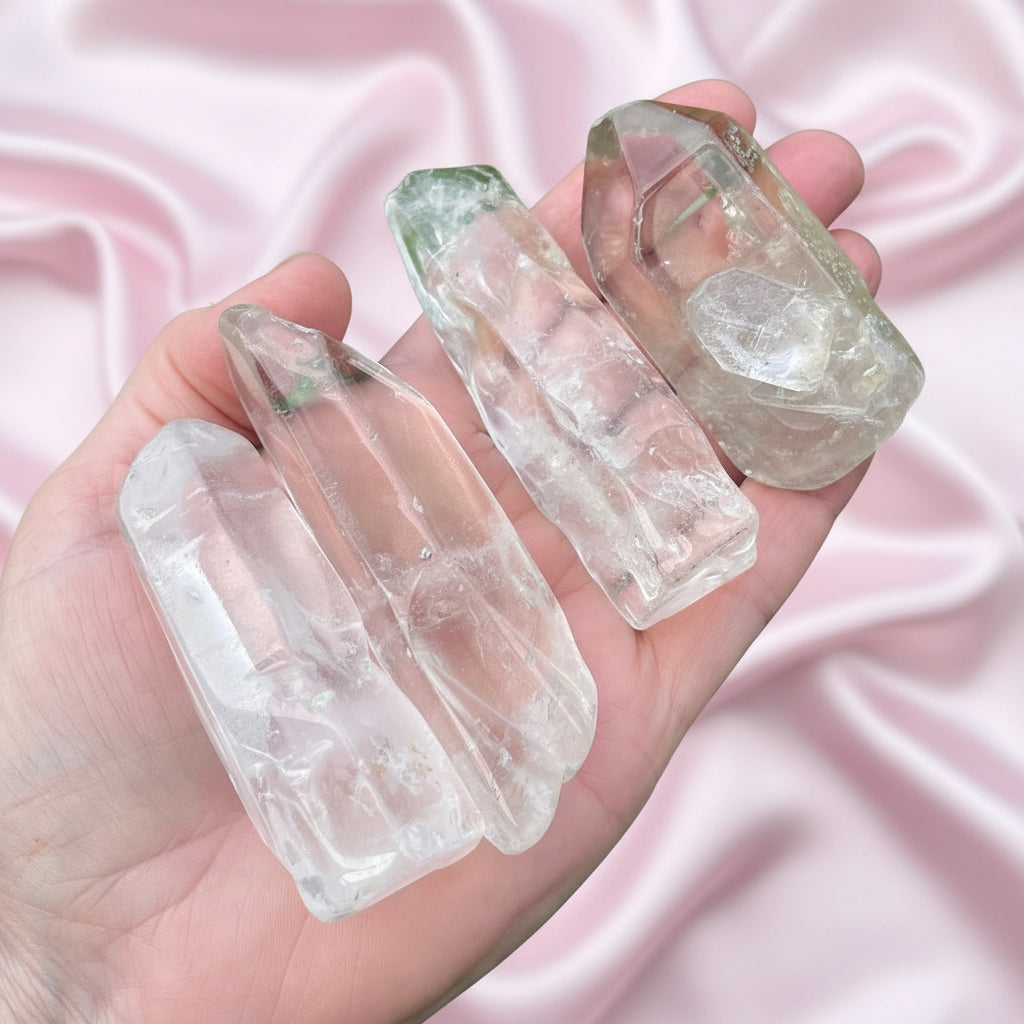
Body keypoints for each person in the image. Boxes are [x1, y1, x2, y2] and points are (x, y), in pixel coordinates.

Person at [0, 80, 882, 1023]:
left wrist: (49, 964)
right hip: (428, 772)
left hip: (598, 619)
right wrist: (41, 947)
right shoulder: (209, 482)